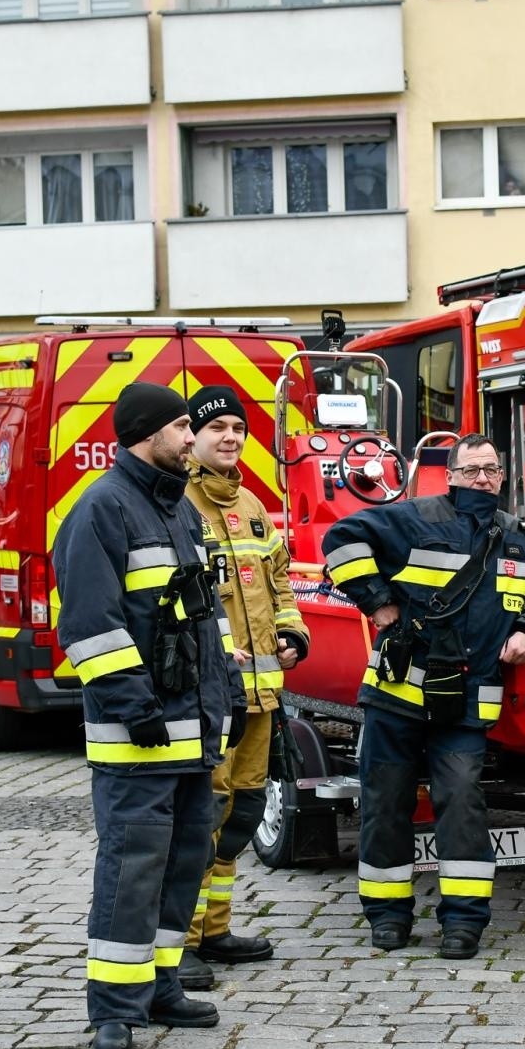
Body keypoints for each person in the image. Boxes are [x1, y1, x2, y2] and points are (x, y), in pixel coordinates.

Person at [52, 381, 248, 1049]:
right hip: (138, 735)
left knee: (183, 861)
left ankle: (160, 985)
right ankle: (113, 1008)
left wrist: (226, 698)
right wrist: (135, 709)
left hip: (192, 733)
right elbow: (88, 627)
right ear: (148, 432)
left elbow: (201, 622)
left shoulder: (178, 511)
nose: (193, 438)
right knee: (133, 868)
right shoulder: (101, 510)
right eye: (182, 428)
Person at [322, 434, 525, 959]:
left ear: (502, 477)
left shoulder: (516, 539)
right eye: (471, 470)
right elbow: (340, 540)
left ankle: (464, 923)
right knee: (385, 805)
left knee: (462, 807)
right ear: (449, 475)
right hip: (397, 696)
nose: (482, 479)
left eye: (491, 470)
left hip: (468, 702)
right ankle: (387, 917)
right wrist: (378, 603)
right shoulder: (412, 518)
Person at [178, 386, 309, 991]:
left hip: (260, 697)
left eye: (239, 428)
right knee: (200, 817)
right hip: (210, 697)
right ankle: (176, 942)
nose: (230, 437)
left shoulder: (253, 506)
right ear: (193, 435)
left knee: (241, 812)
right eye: (218, 428)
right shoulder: (178, 505)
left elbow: (279, 584)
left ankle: (216, 930)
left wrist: (292, 633)